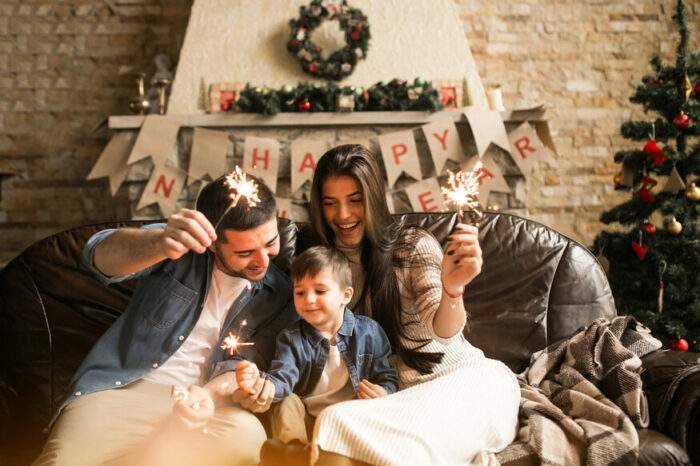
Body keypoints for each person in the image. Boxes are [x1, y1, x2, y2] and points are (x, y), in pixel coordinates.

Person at [33, 172, 298, 466]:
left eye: (270, 243)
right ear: (213, 243)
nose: (263, 261)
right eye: (246, 252)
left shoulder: (281, 294)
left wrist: (219, 394)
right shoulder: (178, 244)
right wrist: (159, 242)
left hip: (210, 404)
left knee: (247, 440)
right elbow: (96, 254)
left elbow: (247, 361)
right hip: (126, 390)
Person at [305, 144, 520, 465]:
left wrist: (453, 290)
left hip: (468, 383)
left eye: (355, 200)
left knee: (342, 425)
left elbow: (443, 333)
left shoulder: (412, 247)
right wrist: (383, 396)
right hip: (397, 403)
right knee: (336, 422)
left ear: (374, 199)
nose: (343, 215)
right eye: (330, 204)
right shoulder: (319, 267)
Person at [235, 246, 398, 446]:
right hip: (307, 421)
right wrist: (263, 386)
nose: (308, 299)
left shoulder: (368, 332)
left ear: (345, 296)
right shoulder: (291, 338)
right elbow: (283, 379)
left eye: (319, 291)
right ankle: (292, 452)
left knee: (373, 411)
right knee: (287, 402)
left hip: (349, 417)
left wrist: (384, 392)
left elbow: (387, 376)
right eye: (300, 292)